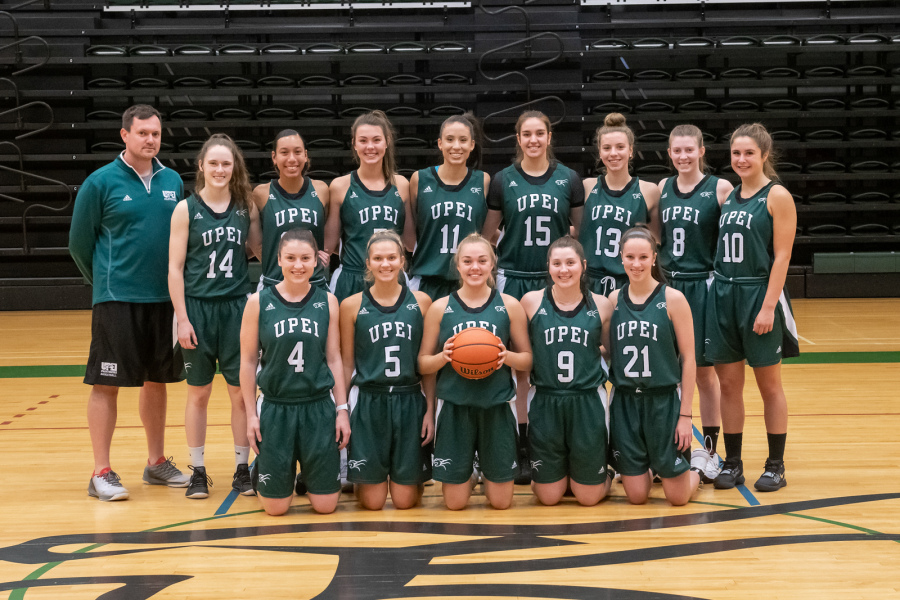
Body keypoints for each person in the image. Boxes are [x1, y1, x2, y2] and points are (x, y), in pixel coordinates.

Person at [69, 104, 188, 501]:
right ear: (125, 135)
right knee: (106, 383)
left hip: (164, 301)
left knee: (158, 380)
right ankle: (100, 471)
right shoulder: (100, 182)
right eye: (142, 133)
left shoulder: (173, 180)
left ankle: (156, 463)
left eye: (155, 133)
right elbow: (79, 245)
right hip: (117, 300)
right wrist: (105, 283)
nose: (150, 139)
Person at [481, 110, 583, 484]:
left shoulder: (569, 179)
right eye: (527, 134)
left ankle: (553, 445)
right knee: (514, 368)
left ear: (549, 136)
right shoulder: (503, 181)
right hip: (512, 279)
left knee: (548, 367)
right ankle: (519, 448)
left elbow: (576, 236)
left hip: (551, 280)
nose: (534, 140)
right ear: (518, 138)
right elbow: (489, 235)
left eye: (540, 133)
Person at [705, 123, 799, 493]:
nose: (741, 160)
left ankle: (776, 465)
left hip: (758, 294)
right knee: (728, 384)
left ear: (764, 155)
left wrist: (768, 306)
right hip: (724, 295)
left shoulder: (777, 196)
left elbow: (783, 255)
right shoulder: (730, 196)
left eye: (748, 153)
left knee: (769, 385)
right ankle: (733, 462)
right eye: (736, 153)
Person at [168, 134, 261, 499]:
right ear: (201, 166)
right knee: (200, 392)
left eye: (227, 163)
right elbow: (174, 269)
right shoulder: (185, 209)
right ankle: (198, 470)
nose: (220, 169)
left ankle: (242, 468)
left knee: (240, 393)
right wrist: (182, 318)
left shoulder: (245, 206)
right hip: (198, 309)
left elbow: (260, 250)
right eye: (214, 163)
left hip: (237, 307)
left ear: (234, 167)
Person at [239, 229, 350, 515]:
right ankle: (270, 471)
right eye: (290, 258)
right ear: (278, 260)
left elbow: (334, 358)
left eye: (305, 258)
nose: (298, 265)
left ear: (317, 261)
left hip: (317, 407)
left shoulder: (327, 301)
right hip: (276, 407)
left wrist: (342, 409)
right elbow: (249, 361)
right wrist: (252, 415)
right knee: (275, 509)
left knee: (326, 507)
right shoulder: (258, 302)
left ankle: (305, 473)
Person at [419, 234, 532, 511]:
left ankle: (483, 470)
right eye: (467, 261)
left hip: (496, 407)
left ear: (492, 265)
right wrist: (443, 358)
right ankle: (470, 474)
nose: (475, 267)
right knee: (455, 504)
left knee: (502, 503)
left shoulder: (509, 305)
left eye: (482, 261)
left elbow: (527, 360)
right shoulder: (440, 307)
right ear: (457, 266)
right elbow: (422, 363)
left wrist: (507, 357)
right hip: (456, 407)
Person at [657, 125, 734, 484]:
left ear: (702, 150)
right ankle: (670, 443)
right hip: (670, 287)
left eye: (690, 150)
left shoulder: (719, 188)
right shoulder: (662, 188)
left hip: (703, 286)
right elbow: (657, 237)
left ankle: (712, 451)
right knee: (668, 369)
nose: (683, 156)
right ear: (669, 153)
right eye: (677, 151)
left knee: (704, 372)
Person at [604, 227, 702, 506]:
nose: (636, 264)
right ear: (621, 258)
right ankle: (648, 464)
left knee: (679, 498)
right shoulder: (613, 301)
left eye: (643, 257)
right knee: (636, 497)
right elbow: (610, 351)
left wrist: (686, 416)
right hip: (625, 403)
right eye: (630, 257)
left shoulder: (673, 299)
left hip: (664, 402)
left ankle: (693, 470)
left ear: (654, 258)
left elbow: (689, 358)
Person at [339, 231, 434, 510]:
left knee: (405, 502)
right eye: (378, 258)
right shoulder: (351, 305)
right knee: (372, 502)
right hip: (369, 400)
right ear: (367, 263)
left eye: (392, 257)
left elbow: (426, 365)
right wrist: (342, 410)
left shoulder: (422, 302)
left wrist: (431, 410)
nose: (385, 264)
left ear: (402, 261)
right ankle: (359, 474)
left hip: (410, 400)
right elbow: (346, 363)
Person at [519, 236, 614, 506]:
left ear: (583, 265)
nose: (564, 270)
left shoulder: (601, 305)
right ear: (548, 266)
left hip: (587, 401)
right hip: (546, 400)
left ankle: (603, 473)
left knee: (588, 498)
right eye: (557, 263)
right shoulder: (531, 302)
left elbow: (609, 350)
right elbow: (524, 356)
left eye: (570, 263)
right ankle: (563, 474)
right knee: (548, 497)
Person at [325, 110, 413, 302]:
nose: (370, 147)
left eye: (376, 140)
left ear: (387, 141)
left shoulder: (402, 185)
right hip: (351, 277)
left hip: (392, 277)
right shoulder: (340, 186)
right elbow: (329, 245)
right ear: (354, 144)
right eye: (363, 140)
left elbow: (410, 242)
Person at [408, 113, 489, 300]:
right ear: (440, 143)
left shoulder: (483, 181)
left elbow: (485, 231)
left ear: (472, 145)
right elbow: (410, 235)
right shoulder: (419, 179)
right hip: (426, 281)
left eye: (463, 140)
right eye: (450, 139)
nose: (456, 146)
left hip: (469, 281)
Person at [579, 113, 661, 297]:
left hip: (630, 281)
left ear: (631, 150)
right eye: (607, 148)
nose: (613, 153)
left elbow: (657, 239)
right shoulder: (587, 187)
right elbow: (576, 232)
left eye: (620, 147)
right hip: (589, 281)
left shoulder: (649, 191)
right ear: (599, 152)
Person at [251, 129, 330, 290]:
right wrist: (278, 261)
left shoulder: (321, 190)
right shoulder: (261, 193)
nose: (292, 159)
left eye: (298, 152)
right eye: (284, 152)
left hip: (313, 283)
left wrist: (321, 255)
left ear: (306, 155)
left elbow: (328, 231)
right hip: (274, 282)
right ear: (274, 157)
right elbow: (257, 243)